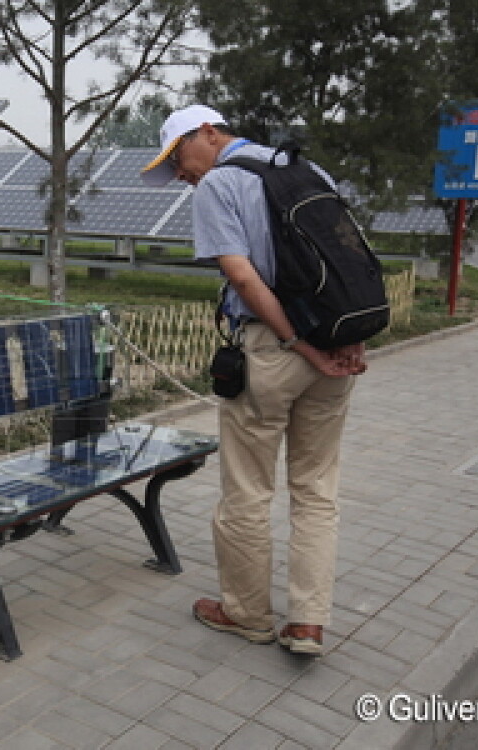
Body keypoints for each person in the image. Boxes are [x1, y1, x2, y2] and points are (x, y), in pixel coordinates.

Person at [140, 104, 367, 655]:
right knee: (316, 490)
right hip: (337, 352)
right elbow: (352, 262)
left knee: (248, 490)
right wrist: (344, 337)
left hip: (273, 350)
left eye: (179, 158)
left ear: (210, 133)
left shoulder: (221, 184)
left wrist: (298, 343)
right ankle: (309, 621)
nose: (180, 175)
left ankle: (246, 614)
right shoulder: (312, 174)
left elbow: (240, 275)